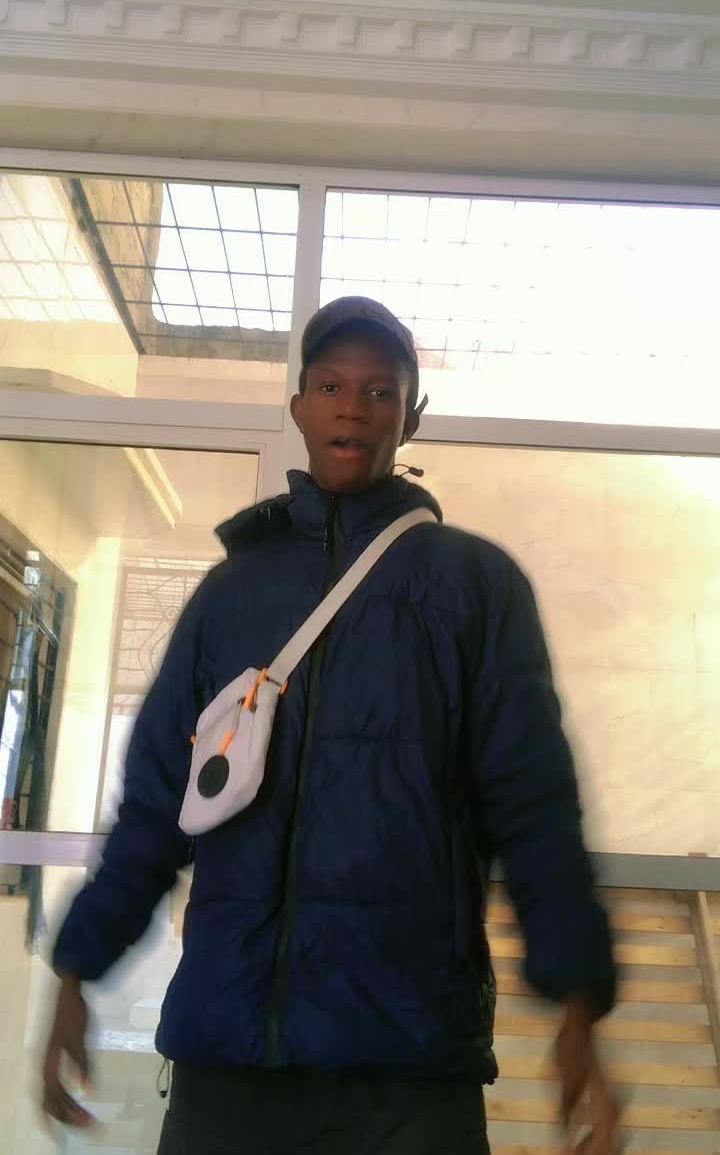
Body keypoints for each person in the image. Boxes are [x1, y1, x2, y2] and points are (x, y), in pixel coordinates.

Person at [43, 296, 618, 1154]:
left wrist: (579, 1003)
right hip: (229, 1063)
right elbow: (158, 804)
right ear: (299, 408)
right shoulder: (231, 595)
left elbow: (534, 805)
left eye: (381, 391)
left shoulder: (474, 589)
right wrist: (76, 970)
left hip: (407, 1072)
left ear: (412, 415)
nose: (353, 407)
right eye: (331, 386)